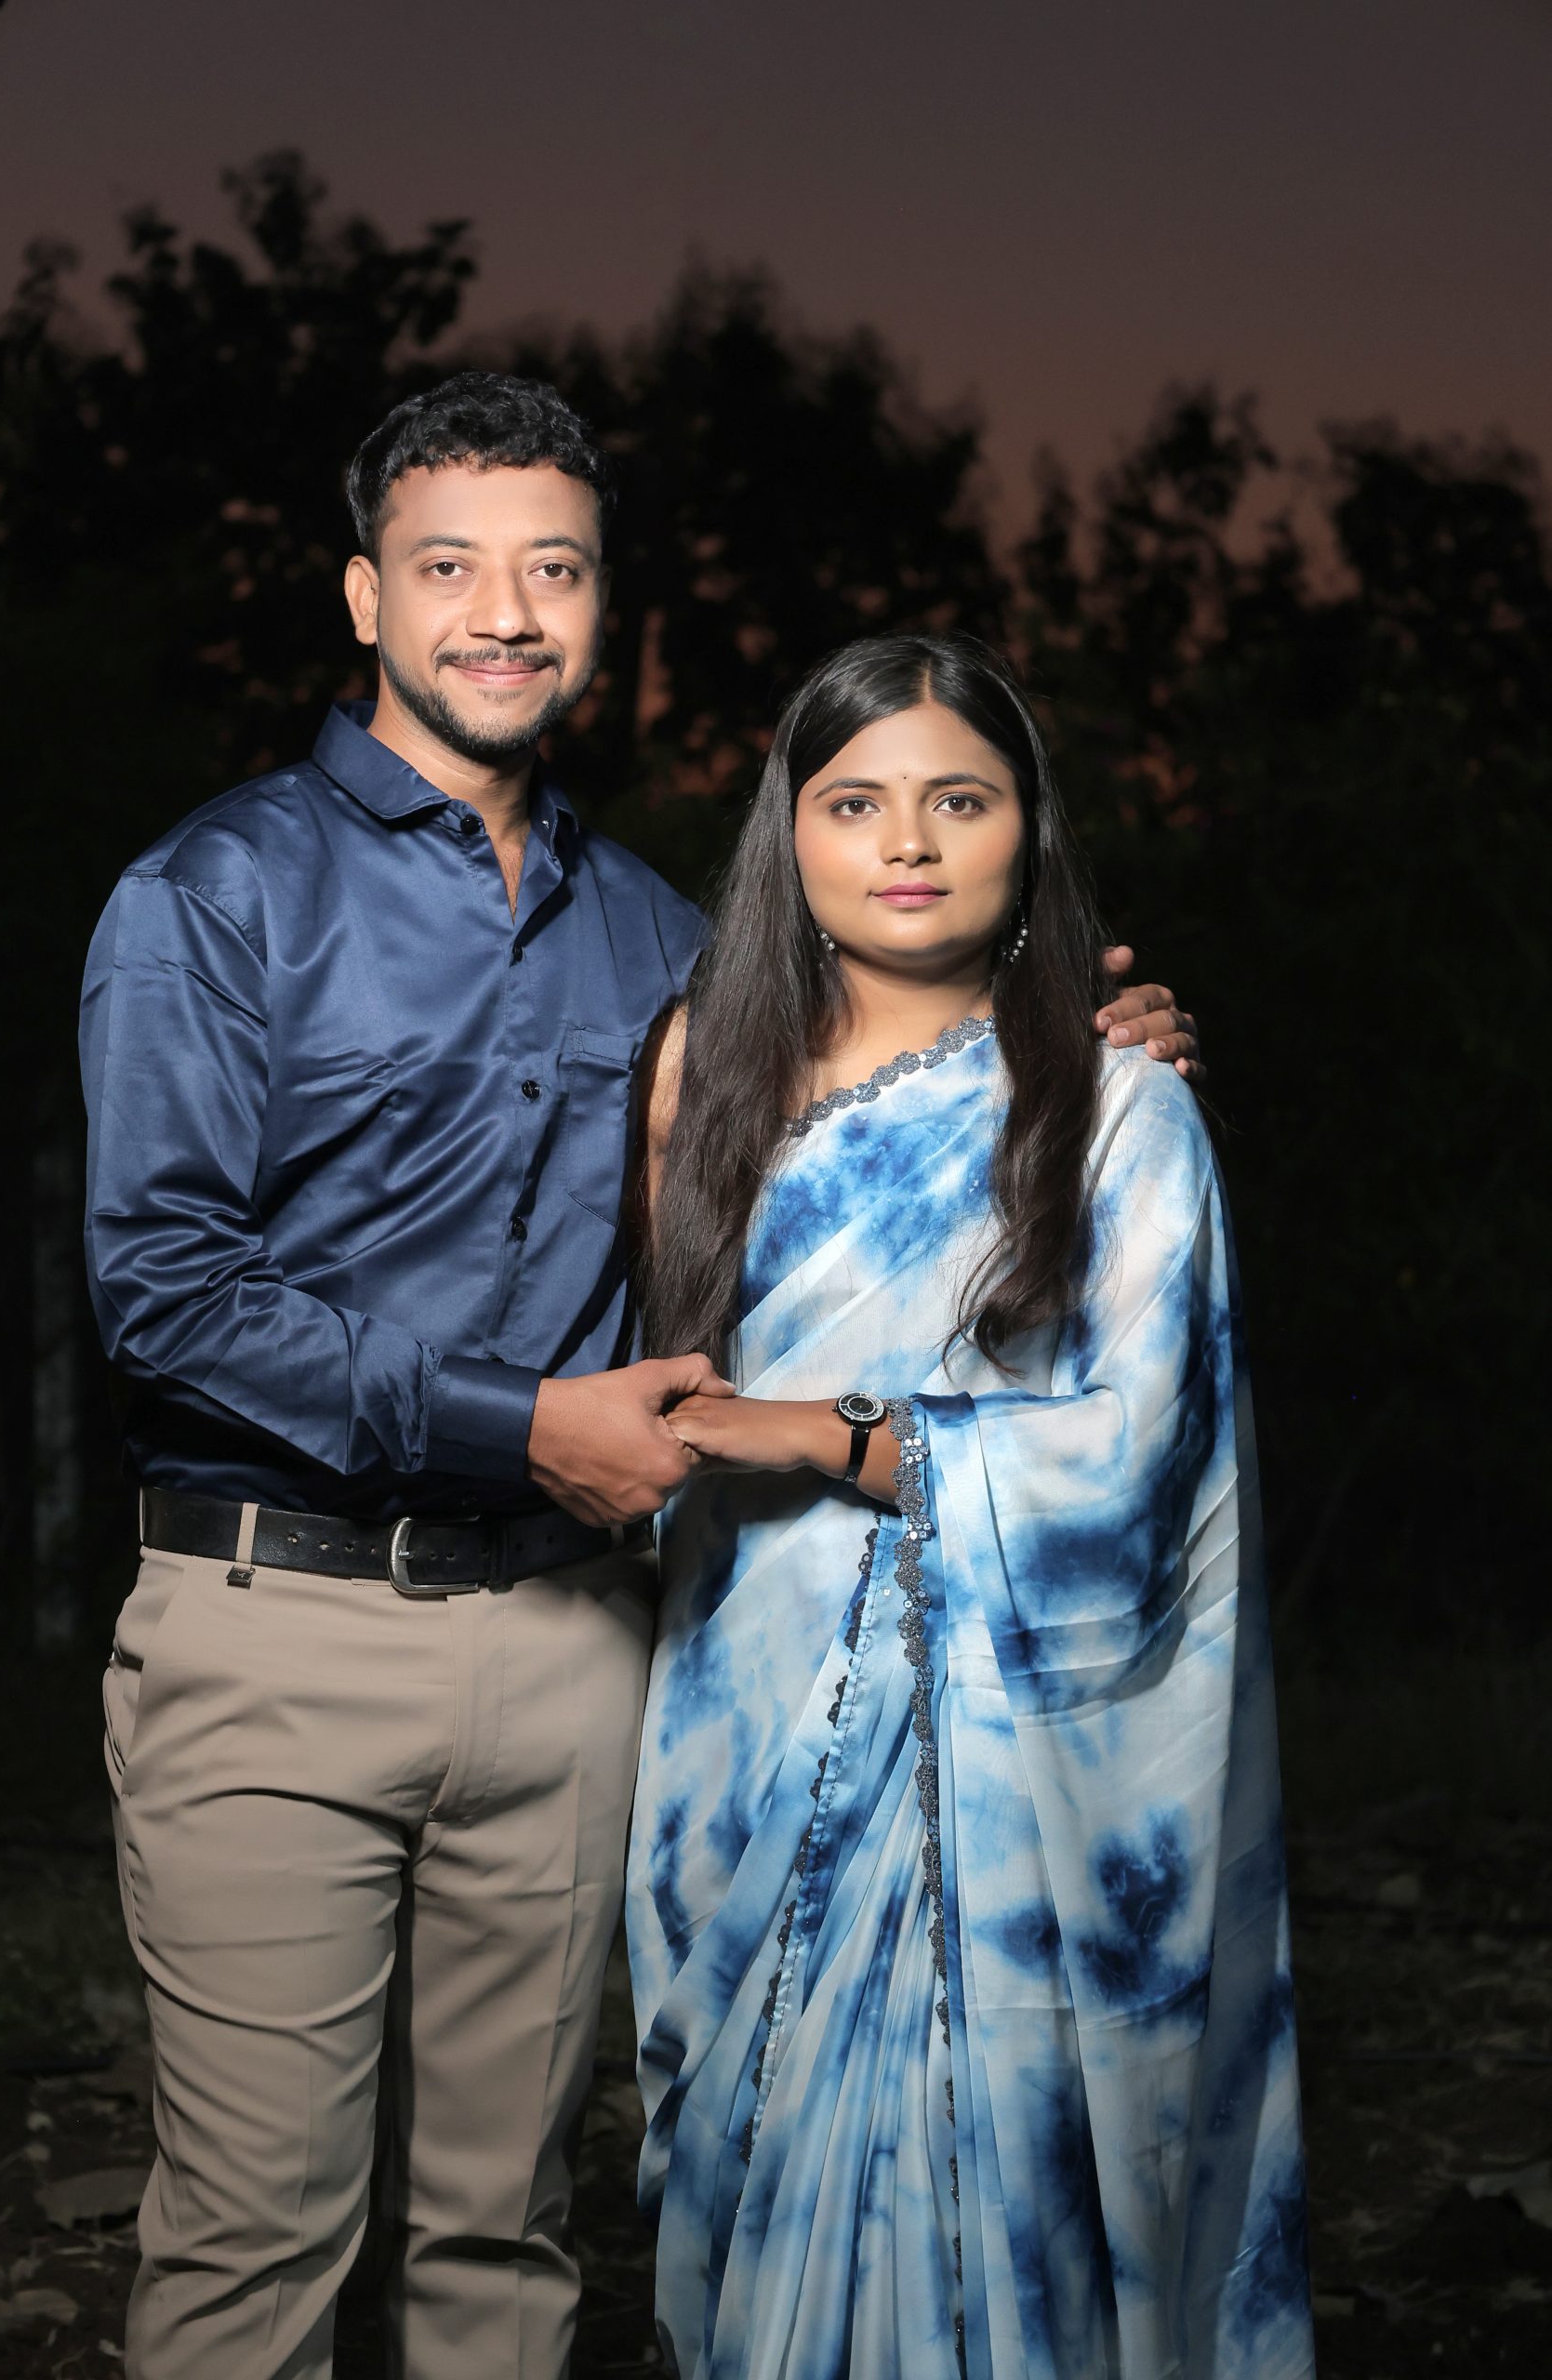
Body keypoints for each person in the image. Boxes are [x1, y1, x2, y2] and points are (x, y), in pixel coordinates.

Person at [82, 372, 1202, 2380]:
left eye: (554, 568)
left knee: (504, 2238)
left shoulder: (665, 936)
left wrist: (1084, 1031)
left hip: (581, 1644)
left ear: (602, 605)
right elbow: (163, 1290)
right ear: (365, 598)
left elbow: (880, 1095)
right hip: (277, 1624)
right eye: (449, 567)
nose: (503, 613)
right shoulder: (216, 892)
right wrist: (520, 1424)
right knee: (255, 2240)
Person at [630, 635, 1312, 2380]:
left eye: (961, 799)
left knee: (983, 2223)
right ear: (790, 833)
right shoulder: (697, 1071)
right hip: (735, 1721)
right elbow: (638, 1396)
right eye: (855, 803)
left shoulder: (1120, 1107)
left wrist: (827, 1433)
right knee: (748, 2221)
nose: (909, 843)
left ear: (1031, 831)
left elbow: (1136, 1461)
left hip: (1006, 1773)